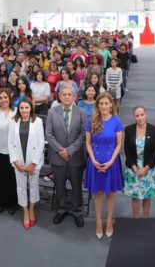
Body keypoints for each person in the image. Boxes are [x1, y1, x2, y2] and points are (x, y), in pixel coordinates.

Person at [46, 86, 89, 228]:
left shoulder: (82, 112)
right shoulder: (52, 112)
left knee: (76, 186)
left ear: (74, 97)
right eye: (64, 94)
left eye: (69, 94)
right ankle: (61, 209)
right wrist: (61, 150)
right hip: (57, 156)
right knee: (59, 185)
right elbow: (49, 134)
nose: (66, 97)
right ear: (59, 96)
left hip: (75, 157)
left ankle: (77, 211)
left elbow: (83, 135)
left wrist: (69, 151)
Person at [84, 92, 124, 239]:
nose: (104, 106)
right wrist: (93, 159)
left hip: (111, 163)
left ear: (111, 105)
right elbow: (88, 143)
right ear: (98, 105)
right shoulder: (91, 120)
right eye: (101, 104)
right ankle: (98, 222)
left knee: (110, 193)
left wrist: (111, 161)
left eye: (106, 103)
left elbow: (118, 145)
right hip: (95, 162)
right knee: (98, 193)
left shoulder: (116, 121)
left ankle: (109, 222)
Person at [10, 97, 46, 230]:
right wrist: (15, 161)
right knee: (21, 187)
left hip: (33, 161)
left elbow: (41, 143)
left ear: (31, 108)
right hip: (19, 161)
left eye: (27, 107)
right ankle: (25, 210)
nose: (24, 110)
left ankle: (32, 209)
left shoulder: (38, 121)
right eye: (22, 108)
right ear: (18, 109)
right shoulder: (13, 121)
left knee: (33, 185)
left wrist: (34, 163)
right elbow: (10, 143)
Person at [123, 106, 155, 218]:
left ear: (146, 114)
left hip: (148, 170)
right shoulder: (128, 130)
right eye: (137, 115)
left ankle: (145, 221)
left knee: (146, 196)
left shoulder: (154, 130)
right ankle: (136, 221)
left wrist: (145, 168)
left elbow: (154, 152)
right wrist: (135, 168)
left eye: (142, 115)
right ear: (134, 117)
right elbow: (127, 150)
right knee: (135, 197)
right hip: (133, 169)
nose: (140, 118)